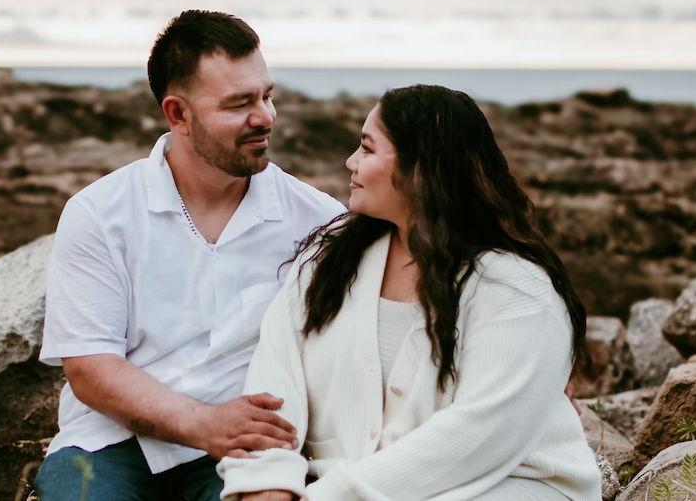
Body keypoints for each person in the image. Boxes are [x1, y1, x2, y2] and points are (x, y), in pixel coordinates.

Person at [218, 84, 602, 500]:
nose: (351, 161)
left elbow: (475, 437)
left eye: (367, 149)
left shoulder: (516, 287)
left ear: (421, 169)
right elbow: (275, 379)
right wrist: (268, 482)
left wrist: (324, 497)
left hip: (503, 487)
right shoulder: (329, 257)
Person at [33, 10, 345, 500]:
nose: (264, 117)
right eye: (239, 104)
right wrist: (204, 424)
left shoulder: (318, 220)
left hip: (243, 450)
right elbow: (90, 367)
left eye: (266, 96)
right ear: (178, 114)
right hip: (110, 441)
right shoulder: (100, 212)